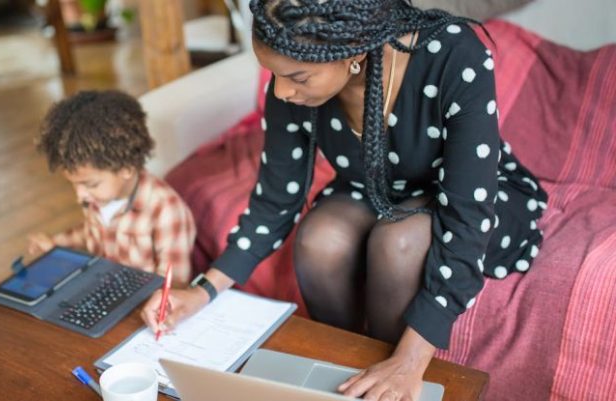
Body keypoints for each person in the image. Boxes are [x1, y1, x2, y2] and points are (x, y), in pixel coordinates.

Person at [142, 0, 547, 400]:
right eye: (274, 75)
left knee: (398, 244)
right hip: (372, 188)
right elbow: (274, 200)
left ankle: (394, 380)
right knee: (321, 239)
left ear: (352, 53)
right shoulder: (289, 84)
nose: (282, 91)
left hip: (471, 197)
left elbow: (467, 218)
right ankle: (346, 371)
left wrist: (411, 359)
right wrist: (203, 290)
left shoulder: (456, 53)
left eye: (298, 77)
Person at [29, 90, 196, 286]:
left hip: (143, 302)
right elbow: (93, 232)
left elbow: (173, 284)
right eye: (73, 185)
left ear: (126, 168)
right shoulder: (99, 197)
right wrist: (55, 245)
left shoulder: (166, 211)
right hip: (101, 286)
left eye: (90, 184)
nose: (80, 196)